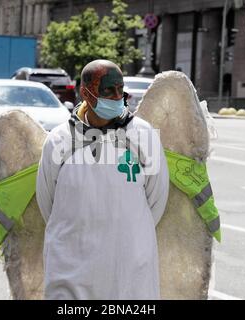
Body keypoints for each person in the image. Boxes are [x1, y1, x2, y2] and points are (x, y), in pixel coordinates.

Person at [36, 59, 169, 299]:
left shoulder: (143, 136)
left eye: (121, 90)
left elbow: (156, 200)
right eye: (108, 90)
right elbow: (48, 203)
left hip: (129, 269)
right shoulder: (59, 141)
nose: (117, 97)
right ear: (85, 93)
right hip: (70, 270)